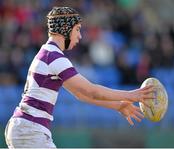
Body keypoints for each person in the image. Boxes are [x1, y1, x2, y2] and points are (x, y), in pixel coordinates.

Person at [4, 6, 155, 148]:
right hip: (30, 131)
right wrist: (132, 95)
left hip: (26, 128)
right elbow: (91, 91)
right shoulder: (54, 57)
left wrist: (118, 105)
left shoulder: (48, 53)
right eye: (77, 30)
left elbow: (81, 95)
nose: (80, 36)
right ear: (65, 29)